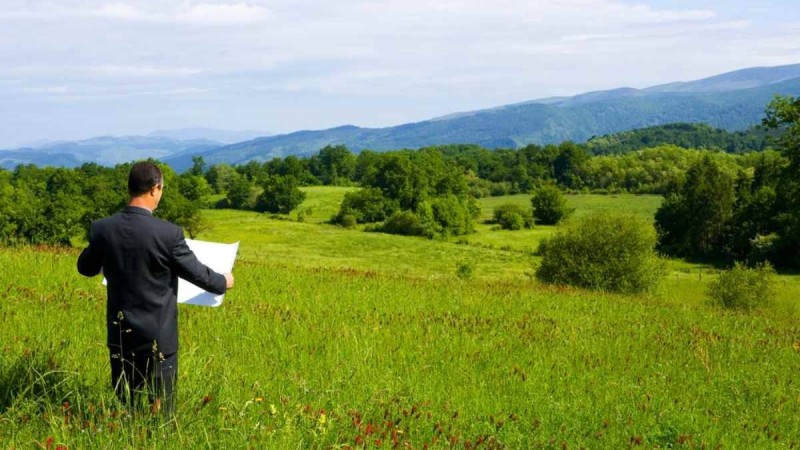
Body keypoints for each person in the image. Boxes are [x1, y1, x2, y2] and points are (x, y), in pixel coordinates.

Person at [77, 161, 234, 418]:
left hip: (120, 333)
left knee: (125, 405)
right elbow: (196, 272)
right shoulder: (168, 234)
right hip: (159, 336)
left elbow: (85, 268)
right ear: (154, 189)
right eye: (161, 189)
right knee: (162, 410)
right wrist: (222, 281)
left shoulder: (103, 229)